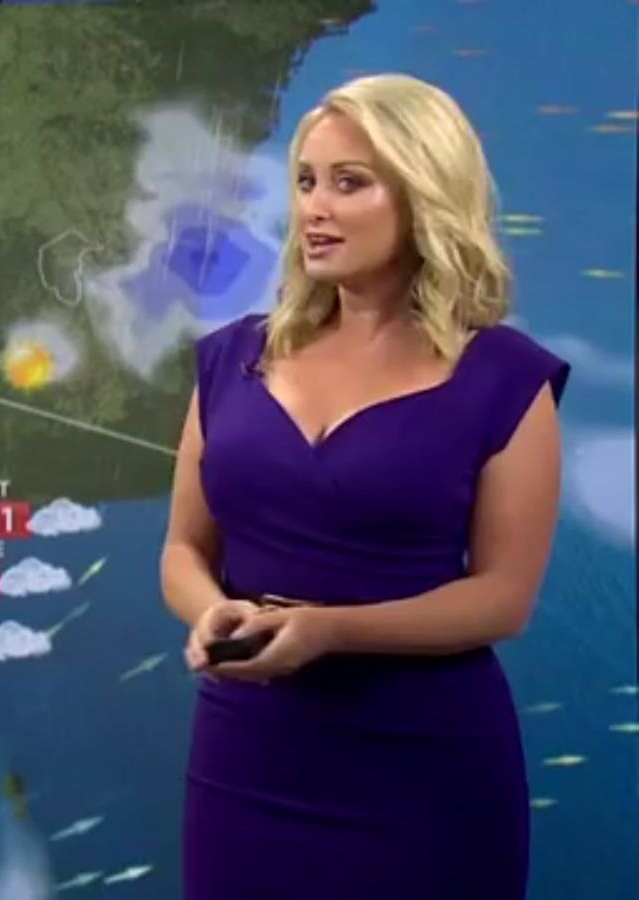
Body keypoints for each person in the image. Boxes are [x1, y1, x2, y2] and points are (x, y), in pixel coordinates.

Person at [161, 72, 570, 900]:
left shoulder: (504, 380)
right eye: (307, 181)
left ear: (423, 194)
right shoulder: (232, 360)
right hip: (247, 760)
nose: (315, 208)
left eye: (350, 183)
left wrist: (330, 630)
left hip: (423, 773)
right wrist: (210, 614)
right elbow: (182, 549)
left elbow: (503, 599)